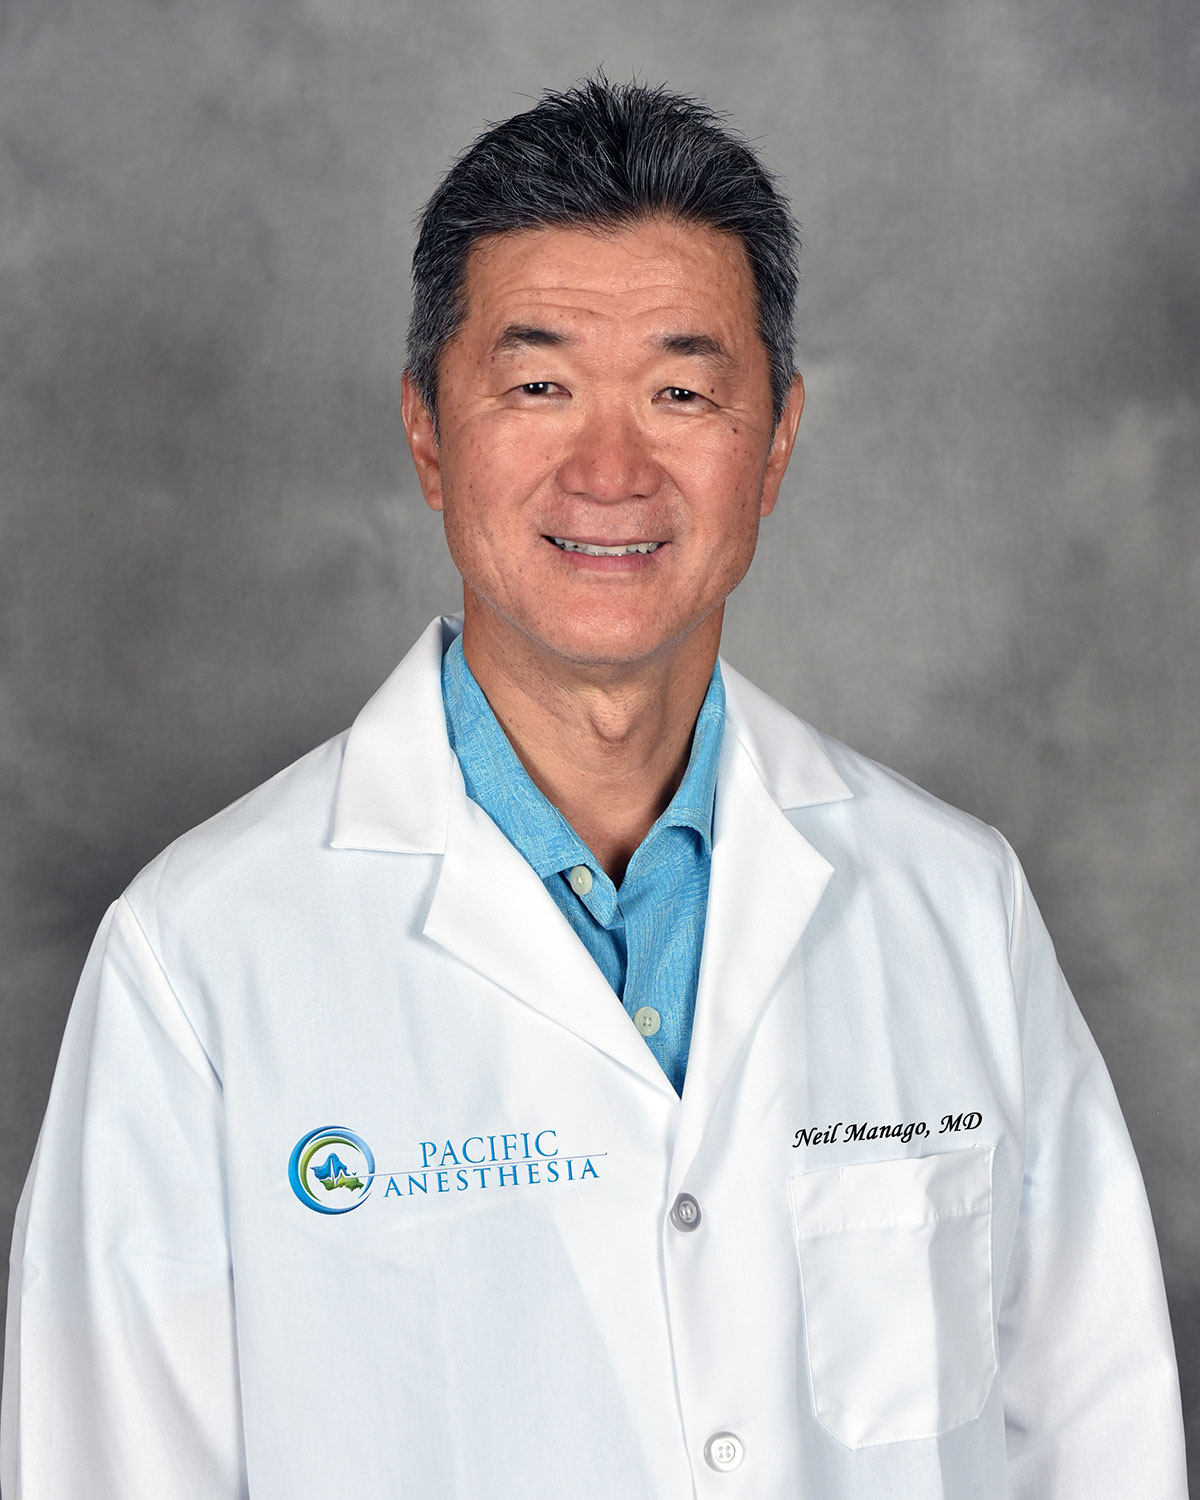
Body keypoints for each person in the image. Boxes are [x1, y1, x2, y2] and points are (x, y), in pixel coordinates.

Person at [1, 76, 1187, 1500]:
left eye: (683, 391)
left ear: (777, 445)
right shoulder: (198, 960)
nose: (612, 468)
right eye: (539, 385)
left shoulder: (954, 903)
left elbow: (1098, 1438)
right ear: (430, 435)